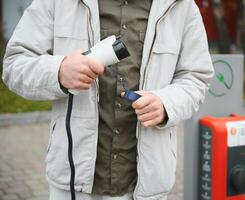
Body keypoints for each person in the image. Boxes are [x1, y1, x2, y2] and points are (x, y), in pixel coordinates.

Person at [2, 0, 214, 199]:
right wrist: (59, 71)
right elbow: (15, 64)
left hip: (147, 185)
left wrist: (167, 103)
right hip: (74, 183)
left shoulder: (181, 6)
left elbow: (196, 77)